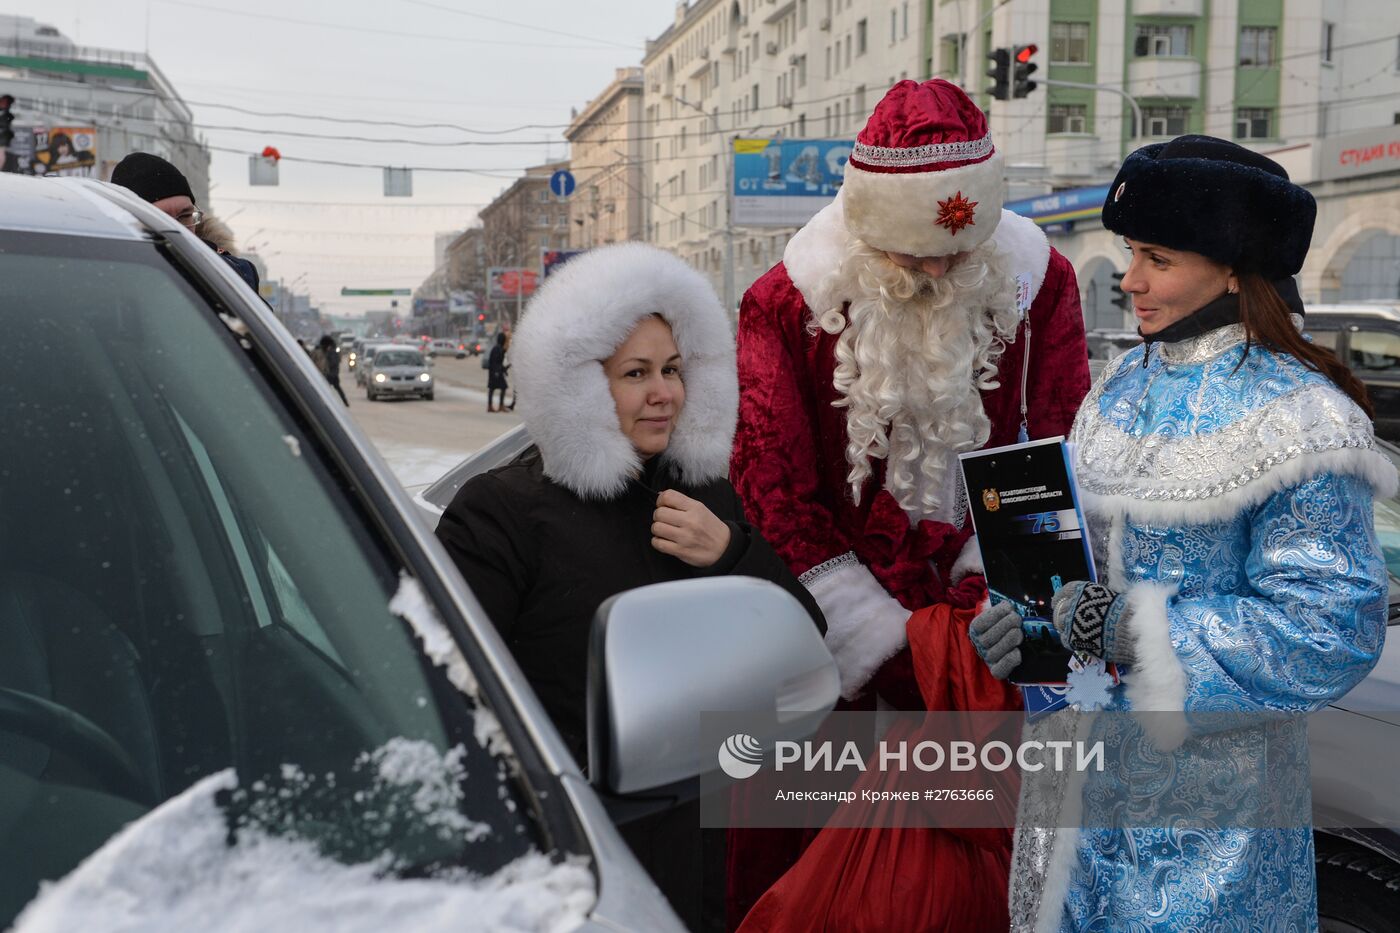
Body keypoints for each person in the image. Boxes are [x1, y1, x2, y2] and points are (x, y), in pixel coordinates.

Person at [968, 135, 1394, 931]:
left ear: (1233, 268)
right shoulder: (1121, 384)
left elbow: (1329, 629)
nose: (1129, 278)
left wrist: (1138, 631)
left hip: (1209, 835)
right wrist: (1022, 622)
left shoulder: (1304, 419)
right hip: (1074, 808)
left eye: (1156, 257)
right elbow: (1076, 574)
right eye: (1131, 252)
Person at [726, 78, 1091, 929]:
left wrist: (973, 623)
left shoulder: (1041, 287)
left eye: (955, 254)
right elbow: (772, 487)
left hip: (987, 651)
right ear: (863, 229)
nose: (933, 270)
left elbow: (1054, 446)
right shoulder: (784, 302)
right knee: (820, 883)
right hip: (826, 663)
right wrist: (885, 640)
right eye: (909, 253)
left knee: (982, 885)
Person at [434, 242, 825, 929]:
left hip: (703, 840)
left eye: (673, 369)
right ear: (578, 384)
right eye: (635, 372)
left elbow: (802, 641)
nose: (663, 393)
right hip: (571, 848)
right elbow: (446, 690)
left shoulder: (704, 494)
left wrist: (732, 552)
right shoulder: (502, 512)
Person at [110, 152, 260, 292]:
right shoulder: (105, 275)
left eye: (185, 216)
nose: (179, 229)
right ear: (130, 222)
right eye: (162, 218)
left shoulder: (233, 274)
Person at [313, 335, 349, 406]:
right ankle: (344, 401)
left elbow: (333, 363)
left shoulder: (331, 352)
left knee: (329, 388)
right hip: (331, 374)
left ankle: (343, 401)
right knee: (336, 388)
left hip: (331, 374)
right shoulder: (328, 351)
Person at [486, 331, 509, 412]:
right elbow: (496, 362)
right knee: (503, 387)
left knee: (492, 388)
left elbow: (498, 362)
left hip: (494, 371)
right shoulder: (498, 349)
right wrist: (498, 371)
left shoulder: (497, 348)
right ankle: (500, 406)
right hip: (495, 372)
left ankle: (490, 406)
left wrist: (504, 369)